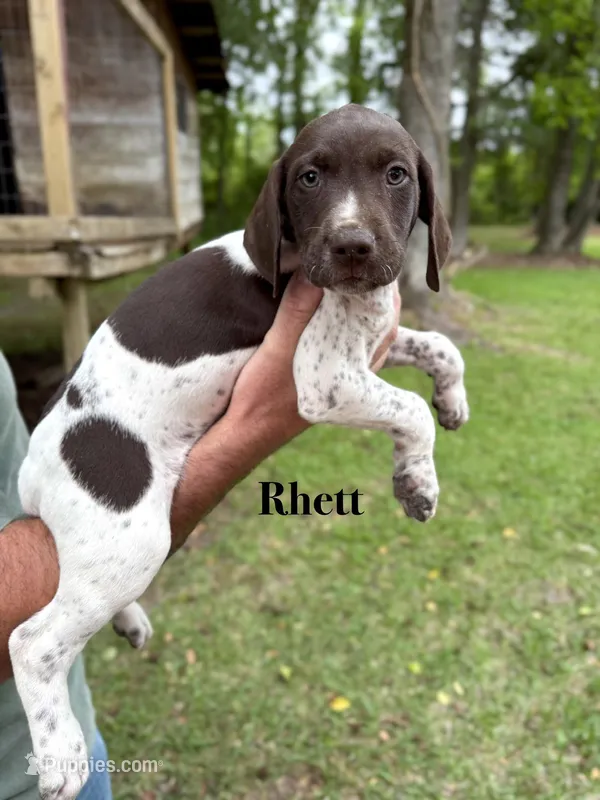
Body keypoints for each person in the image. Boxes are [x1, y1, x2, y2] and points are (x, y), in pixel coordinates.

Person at [0, 272, 400, 798]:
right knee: (137, 543)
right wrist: (250, 429)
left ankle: (102, 595)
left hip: (51, 473)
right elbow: (323, 387)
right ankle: (47, 649)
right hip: (27, 773)